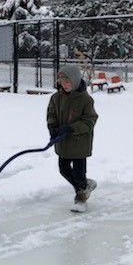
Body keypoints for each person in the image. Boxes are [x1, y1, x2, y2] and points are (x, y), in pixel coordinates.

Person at [47, 64, 98, 213]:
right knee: (63, 169)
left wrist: (71, 128)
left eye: (67, 82)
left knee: (78, 173)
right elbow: (51, 115)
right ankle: (84, 186)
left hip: (79, 144)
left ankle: (81, 197)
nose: (64, 85)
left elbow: (90, 120)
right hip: (63, 143)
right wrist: (52, 127)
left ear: (75, 81)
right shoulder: (56, 98)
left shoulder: (85, 100)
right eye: (62, 82)